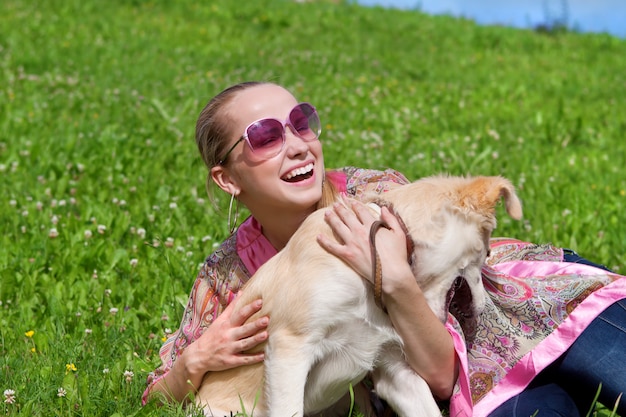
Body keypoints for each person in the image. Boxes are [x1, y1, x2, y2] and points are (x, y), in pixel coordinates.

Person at [143, 81, 626, 417]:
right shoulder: (228, 275)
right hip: (464, 385)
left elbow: (436, 365)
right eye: (266, 136)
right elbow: (154, 400)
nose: (296, 144)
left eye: (300, 121)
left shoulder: (376, 196)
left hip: (527, 307)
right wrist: (193, 361)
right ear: (226, 178)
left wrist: (395, 277)